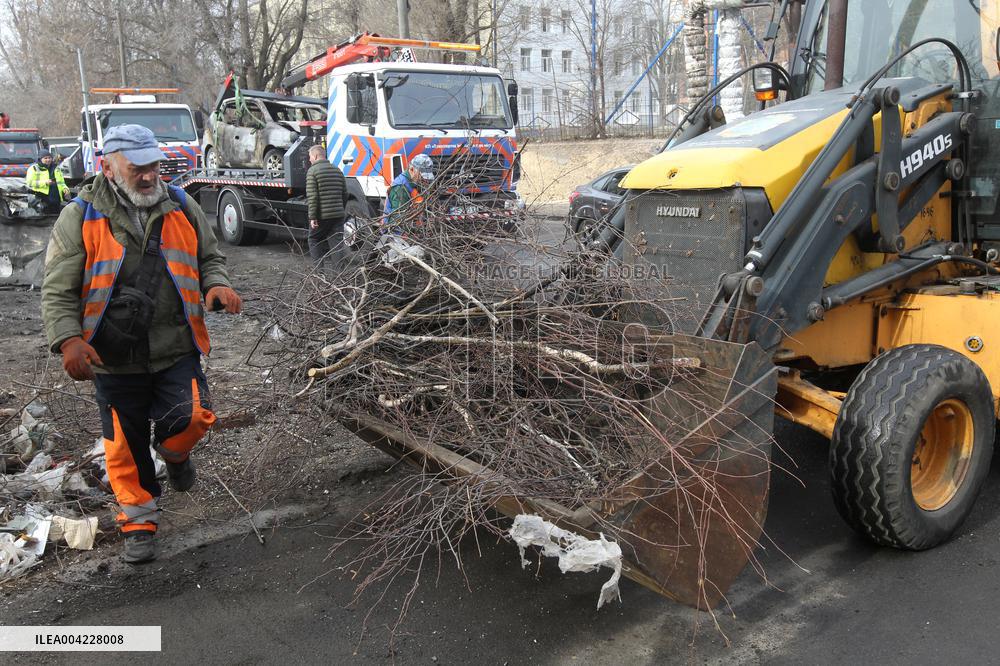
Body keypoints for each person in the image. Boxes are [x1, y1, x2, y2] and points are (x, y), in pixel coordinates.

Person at [41, 124, 242, 565]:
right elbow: (57, 287)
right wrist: (68, 340)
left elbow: (210, 257)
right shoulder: (79, 216)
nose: (150, 176)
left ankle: (174, 455)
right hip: (113, 359)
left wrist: (217, 286)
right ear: (108, 167)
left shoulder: (182, 204)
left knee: (192, 417)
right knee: (124, 445)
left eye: (154, 166)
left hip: (176, 346)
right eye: (138, 169)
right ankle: (139, 522)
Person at [305, 143, 348, 267]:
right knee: (337, 244)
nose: (309, 159)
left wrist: (312, 217)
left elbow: (313, 197)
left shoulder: (312, 171)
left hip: (322, 216)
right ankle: (341, 277)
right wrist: (340, 209)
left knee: (314, 239)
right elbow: (345, 193)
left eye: (310, 157)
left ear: (316, 156)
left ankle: (320, 275)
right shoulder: (337, 170)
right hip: (338, 214)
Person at [382, 153, 434, 231]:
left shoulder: (414, 182)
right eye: (421, 175)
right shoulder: (400, 187)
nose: (424, 179)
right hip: (397, 232)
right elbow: (398, 218)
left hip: (412, 229)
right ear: (412, 169)